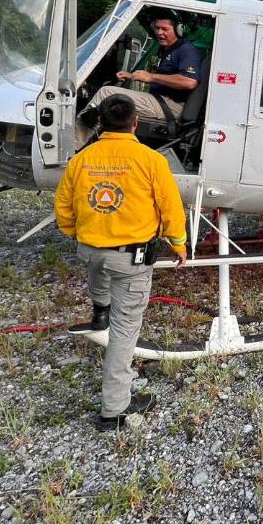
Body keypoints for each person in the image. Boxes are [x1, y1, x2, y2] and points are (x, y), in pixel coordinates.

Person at [54, 94, 189, 432]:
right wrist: (179, 243)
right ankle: (115, 408)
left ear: (100, 123)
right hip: (130, 258)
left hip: (91, 249)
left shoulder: (81, 160)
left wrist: (75, 231)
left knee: (98, 275)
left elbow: (63, 206)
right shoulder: (151, 160)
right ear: (136, 123)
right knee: (125, 331)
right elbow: (171, 207)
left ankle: (100, 308)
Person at [76, 14, 203, 145]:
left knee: (106, 93)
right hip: (161, 101)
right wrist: (132, 76)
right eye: (157, 28)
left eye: (165, 29)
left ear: (178, 29)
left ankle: (71, 149)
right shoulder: (168, 49)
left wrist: (151, 77)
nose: (159, 32)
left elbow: (189, 82)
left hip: (172, 106)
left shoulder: (186, 50)